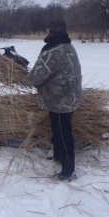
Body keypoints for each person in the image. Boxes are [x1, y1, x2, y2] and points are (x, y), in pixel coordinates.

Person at [22, 19, 82, 181]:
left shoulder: (52, 51)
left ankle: (68, 171)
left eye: (48, 31)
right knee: (58, 129)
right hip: (71, 97)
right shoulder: (68, 46)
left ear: (51, 32)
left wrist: (21, 79)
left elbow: (35, 78)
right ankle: (59, 156)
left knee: (63, 133)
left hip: (60, 101)